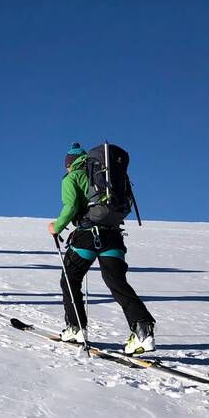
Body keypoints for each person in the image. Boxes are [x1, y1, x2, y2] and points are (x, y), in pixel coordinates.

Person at [48, 142, 156, 355]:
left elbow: (70, 206)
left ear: (69, 163)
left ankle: (75, 328)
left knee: (70, 279)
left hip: (88, 236)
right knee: (117, 282)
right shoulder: (107, 175)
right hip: (113, 236)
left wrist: (56, 227)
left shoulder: (72, 177)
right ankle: (143, 331)